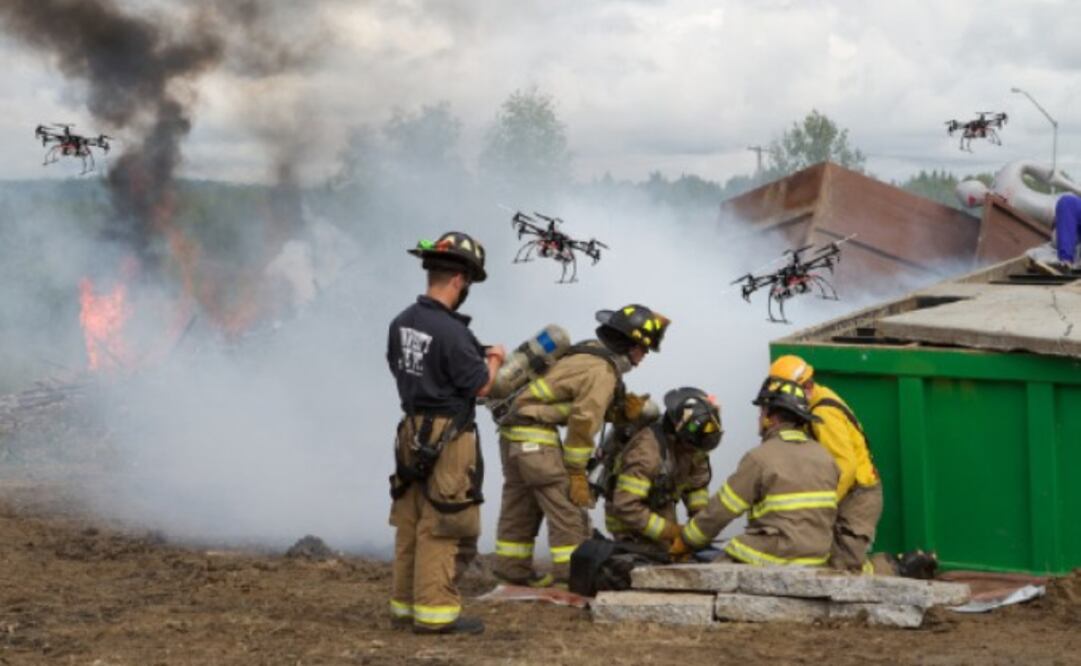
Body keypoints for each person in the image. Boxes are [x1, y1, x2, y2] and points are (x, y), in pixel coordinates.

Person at [494, 304, 669, 586]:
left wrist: (622, 408)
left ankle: (511, 572)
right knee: (568, 511)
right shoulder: (603, 370)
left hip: (513, 436)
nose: (644, 356)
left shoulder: (587, 351)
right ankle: (573, 578)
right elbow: (585, 418)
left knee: (520, 505)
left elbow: (574, 400)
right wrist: (575, 471)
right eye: (643, 348)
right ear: (630, 343)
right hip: (537, 439)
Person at [386, 231, 505, 635]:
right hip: (448, 437)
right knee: (446, 522)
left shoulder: (402, 322)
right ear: (459, 280)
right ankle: (435, 613)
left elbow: (398, 367)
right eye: (468, 282)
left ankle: (404, 606)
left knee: (412, 518)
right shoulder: (452, 332)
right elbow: (482, 386)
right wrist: (495, 359)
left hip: (411, 429)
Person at [673, 377, 839, 566]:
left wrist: (687, 540)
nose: (759, 418)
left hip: (777, 554)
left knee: (718, 565)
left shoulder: (760, 458)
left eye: (761, 412)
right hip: (818, 555)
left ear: (771, 417)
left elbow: (722, 510)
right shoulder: (825, 457)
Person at [768, 355, 882, 574]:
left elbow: (846, 466)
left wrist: (824, 505)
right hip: (851, 493)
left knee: (843, 566)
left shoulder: (823, 413)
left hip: (858, 496)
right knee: (832, 560)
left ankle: (894, 567)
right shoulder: (818, 399)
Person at [604, 387, 721, 553]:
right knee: (658, 562)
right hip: (629, 523)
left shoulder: (694, 445)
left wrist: (699, 522)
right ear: (679, 437)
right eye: (695, 448)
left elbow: (697, 486)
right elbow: (626, 506)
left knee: (682, 555)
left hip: (660, 508)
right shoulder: (647, 454)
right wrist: (671, 532)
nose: (698, 453)